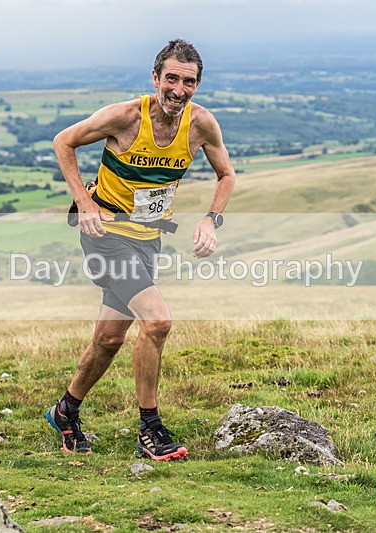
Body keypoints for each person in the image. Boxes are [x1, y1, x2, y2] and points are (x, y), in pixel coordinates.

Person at [45, 39, 235, 460]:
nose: (178, 90)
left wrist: (211, 219)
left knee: (109, 338)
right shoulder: (126, 116)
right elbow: (63, 141)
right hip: (105, 235)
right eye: (172, 78)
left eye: (188, 82)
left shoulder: (202, 124)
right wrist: (83, 202)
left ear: (197, 85)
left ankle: (65, 410)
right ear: (155, 78)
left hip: (148, 240)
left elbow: (226, 174)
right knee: (158, 321)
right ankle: (150, 428)